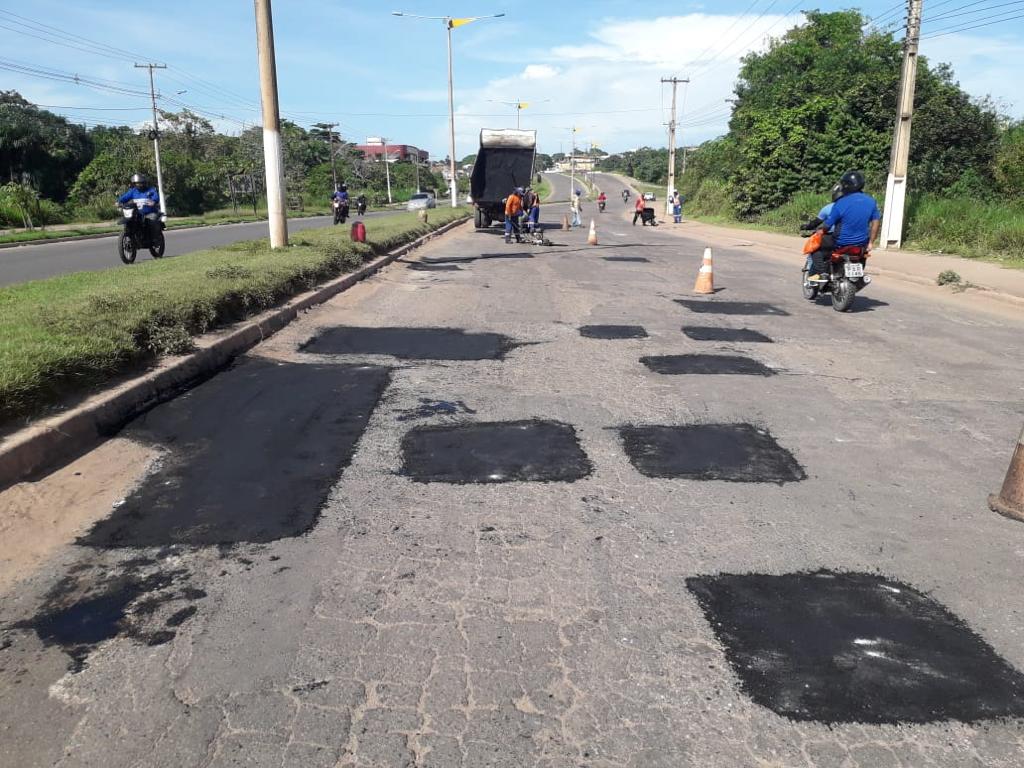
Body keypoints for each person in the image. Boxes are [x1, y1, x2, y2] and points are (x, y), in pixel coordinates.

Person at [814, 171, 881, 280]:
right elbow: (876, 223)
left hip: (840, 242)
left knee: (816, 248)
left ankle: (822, 273)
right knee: (863, 254)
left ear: (846, 185)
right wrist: (871, 242)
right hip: (861, 244)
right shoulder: (871, 202)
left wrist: (821, 231)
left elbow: (828, 224)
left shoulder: (841, 202)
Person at [799, 183, 843, 279]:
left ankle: (822, 273)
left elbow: (816, 222)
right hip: (854, 240)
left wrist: (806, 226)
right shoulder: (852, 207)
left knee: (815, 249)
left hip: (834, 237)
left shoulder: (829, 208)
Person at [118, 173, 161, 240]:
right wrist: (118, 202)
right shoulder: (133, 191)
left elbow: (156, 197)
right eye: (136, 183)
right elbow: (124, 197)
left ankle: (155, 238)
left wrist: (153, 201)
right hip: (137, 213)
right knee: (129, 220)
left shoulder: (150, 190)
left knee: (152, 221)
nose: (138, 185)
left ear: (144, 183)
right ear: (134, 184)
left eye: (140, 183)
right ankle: (132, 235)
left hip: (149, 212)